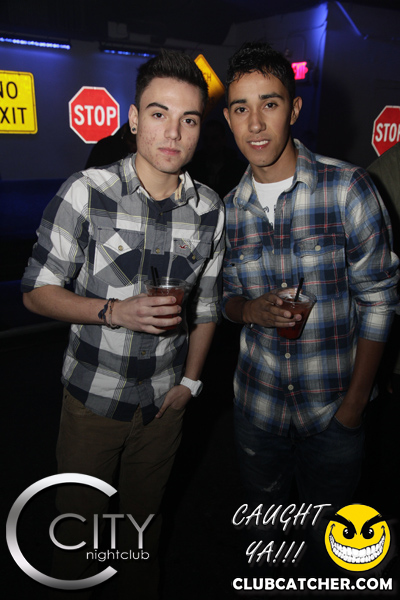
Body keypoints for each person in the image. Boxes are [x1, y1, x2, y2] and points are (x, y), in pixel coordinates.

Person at [21, 49, 225, 599]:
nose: (173, 132)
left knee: (142, 533)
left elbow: (207, 304)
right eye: (159, 114)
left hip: (164, 405)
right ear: (134, 119)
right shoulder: (87, 191)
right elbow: (36, 292)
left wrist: (190, 384)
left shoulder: (210, 209)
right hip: (93, 400)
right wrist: (113, 311)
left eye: (188, 119)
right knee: (78, 533)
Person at [221, 42, 398, 575]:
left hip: (332, 409)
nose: (255, 123)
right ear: (227, 118)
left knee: (335, 544)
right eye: (241, 108)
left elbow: (380, 299)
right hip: (257, 410)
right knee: (267, 536)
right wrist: (247, 311)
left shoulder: (348, 189)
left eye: (270, 104)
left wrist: (354, 406)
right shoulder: (225, 212)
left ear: (294, 109)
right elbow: (222, 300)